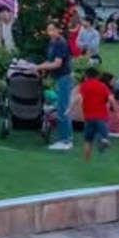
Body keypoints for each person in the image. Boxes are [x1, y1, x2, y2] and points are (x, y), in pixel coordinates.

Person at [36, 21, 73, 151]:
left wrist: (40, 67)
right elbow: (50, 61)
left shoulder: (60, 43)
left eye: (53, 29)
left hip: (64, 78)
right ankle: (64, 138)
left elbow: (57, 63)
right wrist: (36, 66)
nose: (50, 32)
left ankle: (66, 140)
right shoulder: (51, 43)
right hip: (58, 78)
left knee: (63, 109)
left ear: (58, 30)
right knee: (60, 107)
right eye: (48, 29)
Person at [78, 67, 113, 160]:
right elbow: (111, 98)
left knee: (88, 140)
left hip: (88, 117)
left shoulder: (84, 86)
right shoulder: (102, 86)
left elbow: (78, 98)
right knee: (104, 135)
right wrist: (117, 111)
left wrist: (69, 109)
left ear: (86, 76)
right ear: (98, 76)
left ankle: (86, 159)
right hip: (101, 116)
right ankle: (103, 140)